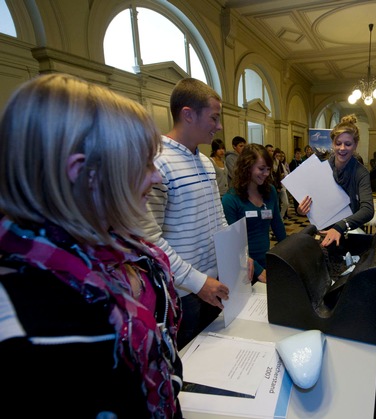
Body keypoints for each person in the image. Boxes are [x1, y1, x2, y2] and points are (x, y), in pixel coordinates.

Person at [0, 73, 183, 417]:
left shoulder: (130, 256)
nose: (157, 176)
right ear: (87, 174)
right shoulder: (26, 329)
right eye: (144, 163)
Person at [143, 78, 233, 349]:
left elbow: (218, 218)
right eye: (214, 118)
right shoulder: (157, 162)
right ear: (188, 114)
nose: (218, 127)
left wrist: (237, 259)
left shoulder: (205, 162)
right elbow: (149, 240)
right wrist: (196, 282)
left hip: (213, 284)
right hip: (183, 294)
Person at [297, 114, 374, 247]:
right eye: (338, 143)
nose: (342, 148)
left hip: (348, 232)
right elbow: (310, 203)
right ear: (333, 144)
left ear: (355, 145)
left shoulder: (361, 173)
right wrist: (301, 210)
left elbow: (368, 209)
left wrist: (340, 226)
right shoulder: (322, 168)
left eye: (348, 144)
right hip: (323, 231)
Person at [222, 144, 287, 283]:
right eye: (261, 169)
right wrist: (257, 269)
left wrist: (289, 252)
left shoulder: (270, 191)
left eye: (268, 169)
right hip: (243, 265)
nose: (266, 173)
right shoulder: (231, 200)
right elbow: (233, 243)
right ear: (247, 167)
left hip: (265, 261)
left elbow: (278, 226)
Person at [273, 148, 291, 219]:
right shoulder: (273, 164)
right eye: (277, 156)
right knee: (276, 205)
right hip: (275, 186)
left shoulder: (282, 164)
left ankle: (280, 217)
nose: (278, 157)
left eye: (279, 156)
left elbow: (286, 174)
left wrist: (283, 175)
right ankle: (276, 220)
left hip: (282, 186)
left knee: (286, 203)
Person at [289, 147, 303, 213]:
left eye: (300, 154)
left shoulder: (302, 162)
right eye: (297, 153)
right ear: (295, 154)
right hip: (295, 182)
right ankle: (297, 211)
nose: (299, 155)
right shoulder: (292, 163)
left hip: (301, 181)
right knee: (296, 197)